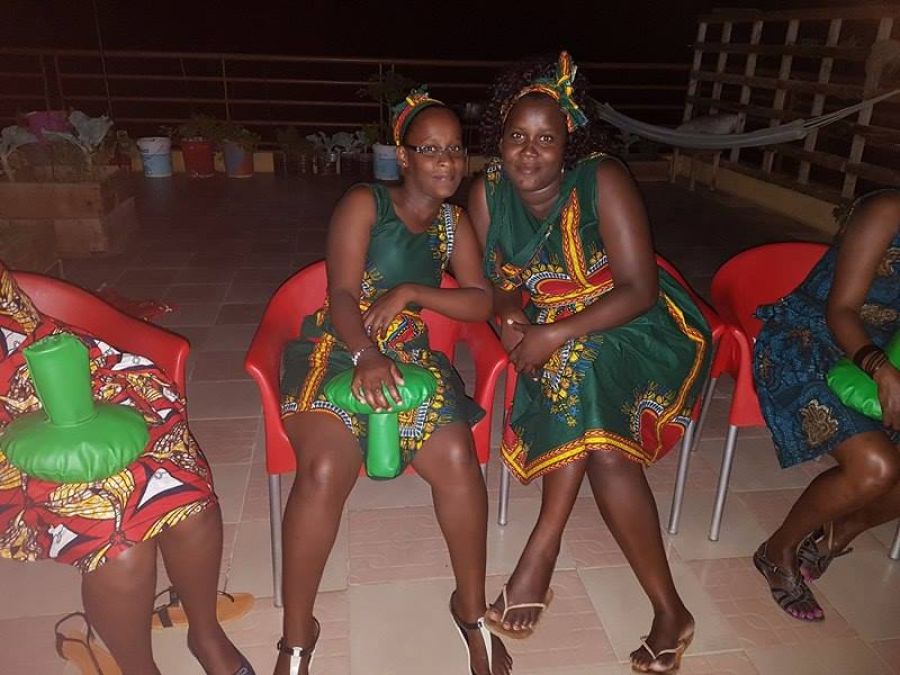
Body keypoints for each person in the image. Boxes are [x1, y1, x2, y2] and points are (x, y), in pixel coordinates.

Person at [468, 52, 711, 674]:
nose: (528, 152)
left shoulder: (602, 178)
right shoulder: (487, 192)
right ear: (499, 136)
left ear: (568, 141)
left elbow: (640, 288)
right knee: (605, 450)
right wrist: (511, 321)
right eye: (517, 136)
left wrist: (553, 334)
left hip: (638, 324)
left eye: (545, 139)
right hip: (554, 330)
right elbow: (494, 284)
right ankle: (671, 612)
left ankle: (541, 550)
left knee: (576, 362)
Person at [275, 89, 512, 675]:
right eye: (430, 149)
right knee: (323, 470)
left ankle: (471, 611)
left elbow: (480, 301)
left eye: (455, 149)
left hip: (408, 353)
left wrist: (411, 292)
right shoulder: (365, 203)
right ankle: (297, 636)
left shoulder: (454, 223)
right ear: (403, 157)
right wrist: (364, 353)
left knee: (457, 458)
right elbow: (340, 292)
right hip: (337, 348)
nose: (446, 161)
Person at [0, 260, 254, 675]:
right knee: (120, 549)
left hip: (59, 371)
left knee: (188, 499)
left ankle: (205, 634)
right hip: (9, 428)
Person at [752, 188, 900, 621]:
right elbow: (842, 309)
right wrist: (882, 371)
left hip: (884, 356)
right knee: (877, 467)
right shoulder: (888, 210)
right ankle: (777, 551)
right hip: (808, 343)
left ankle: (836, 534)